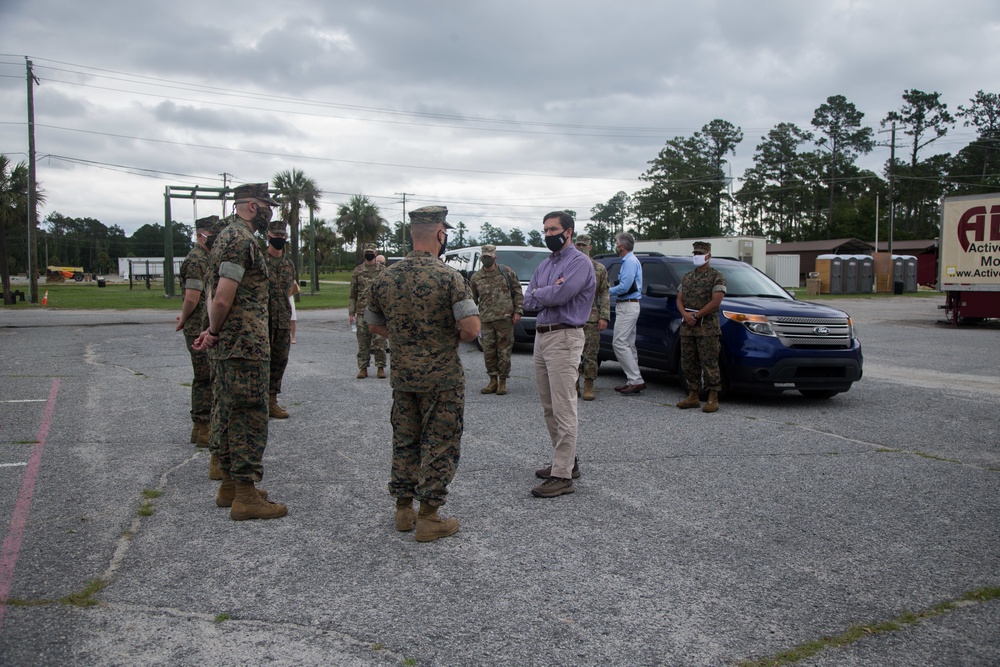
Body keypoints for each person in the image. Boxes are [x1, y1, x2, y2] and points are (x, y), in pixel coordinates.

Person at [366, 205, 480, 542]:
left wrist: (405, 337)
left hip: (403, 376)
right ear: (440, 235)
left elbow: (373, 324)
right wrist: (442, 338)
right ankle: (429, 517)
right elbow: (472, 329)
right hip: (442, 377)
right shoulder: (449, 277)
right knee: (439, 442)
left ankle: (404, 509)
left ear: (413, 236)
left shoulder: (385, 277)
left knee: (405, 440)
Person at [193, 182, 286, 521]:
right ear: (250, 206)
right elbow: (222, 296)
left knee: (228, 410)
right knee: (248, 415)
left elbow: (211, 291)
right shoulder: (241, 240)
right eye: (266, 206)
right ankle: (246, 495)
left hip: (228, 343)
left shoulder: (225, 238)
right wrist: (214, 330)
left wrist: (211, 330)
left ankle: (230, 486)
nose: (269, 212)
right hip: (244, 345)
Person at [524, 211, 595, 498]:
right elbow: (527, 299)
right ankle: (566, 461)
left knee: (564, 406)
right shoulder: (545, 264)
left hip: (565, 336)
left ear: (568, 231)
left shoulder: (580, 262)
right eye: (545, 229)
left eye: (552, 229)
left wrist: (546, 292)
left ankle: (562, 476)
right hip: (542, 337)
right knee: (549, 405)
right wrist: (547, 290)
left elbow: (562, 296)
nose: (548, 234)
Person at [175, 214, 223, 447]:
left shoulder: (206, 256)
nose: (214, 239)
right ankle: (203, 427)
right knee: (205, 378)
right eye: (211, 235)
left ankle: (200, 429)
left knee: (205, 377)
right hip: (197, 326)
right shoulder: (196, 260)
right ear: (200, 234)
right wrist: (183, 317)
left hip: (201, 324)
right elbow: (192, 297)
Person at [676, 241, 727, 413]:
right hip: (688, 327)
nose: (696, 256)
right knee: (688, 362)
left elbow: (716, 301)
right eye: (695, 253)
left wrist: (697, 315)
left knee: (709, 362)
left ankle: (713, 396)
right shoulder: (688, 276)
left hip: (707, 328)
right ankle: (693, 395)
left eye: (700, 253)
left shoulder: (716, 276)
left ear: (708, 256)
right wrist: (685, 314)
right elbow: (679, 299)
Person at [469, 244, 523, 396]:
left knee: (504, 351)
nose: (487, 259)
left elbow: (518, 292)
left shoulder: (506, 272)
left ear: (495, 257)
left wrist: (518, 311)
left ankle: (503, 381)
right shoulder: (476, 277)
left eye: (489, 257)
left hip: (505, 319)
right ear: (481, 258)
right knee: (489, 351)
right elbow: (472, 299)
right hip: (486, 320)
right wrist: (472, 317)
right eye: (484, 257)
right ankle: (492, 380)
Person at [265, 219, 298, 419]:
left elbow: (289, 290)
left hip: (282, 320)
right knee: (261, 362)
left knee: (279, 361)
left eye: (282, 237)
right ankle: (258, 402)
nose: (280, 240)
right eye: (276, 236)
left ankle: (271, 401)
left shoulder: (288, 264)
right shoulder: (259, 260)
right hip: (262, 320)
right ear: (268, 237)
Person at [574, 234, 609, 401]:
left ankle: (588, 384)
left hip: (591, 317)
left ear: (590, 247)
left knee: (590, 354)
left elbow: (605, 293)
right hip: (571, 317)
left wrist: (604, 316)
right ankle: (573, 384)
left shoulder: (599, 268)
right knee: (572, 354)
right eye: (578, 244)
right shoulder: (569, 266)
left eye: (584, 245)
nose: (581, 247)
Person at [609, 232, 644, 394]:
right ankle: (632, 379)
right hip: (629, 305)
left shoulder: (629, 262)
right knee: (629, 343)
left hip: (628, 305)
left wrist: (605, 291)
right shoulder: (630, 261)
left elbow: (625, 286)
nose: (615, 245)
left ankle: (636, 379)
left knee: (619, 342)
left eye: (616, 243)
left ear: (621, 246)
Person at [349, 242, 387, 379]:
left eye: (371, 252)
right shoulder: (358, 271)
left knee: (379, 341)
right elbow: (353, 294)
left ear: (375, 254)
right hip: (362, 311)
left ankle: (380, 367)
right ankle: (363, 368)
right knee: (363, 341)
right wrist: (351, 313)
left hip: (378, 311)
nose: (369, 254)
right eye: (367, 252)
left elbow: (387, 292)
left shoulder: (383, 271)